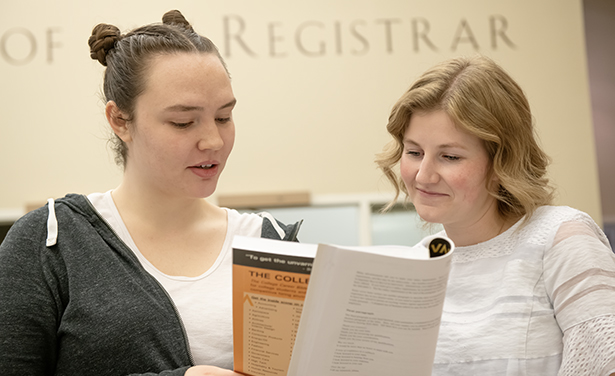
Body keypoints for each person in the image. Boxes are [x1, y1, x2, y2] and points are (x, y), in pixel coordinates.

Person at [0, 10, 300, 376]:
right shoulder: (50, 243)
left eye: (224, 117)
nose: (213, 141)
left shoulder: (270, 244)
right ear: (120, 120)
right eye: (183, 122)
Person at [376, 55, 615, 375]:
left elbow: (605, 362)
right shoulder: (420, 262)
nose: (423, 176)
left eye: (449, 156)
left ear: (502, 161)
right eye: (414, 152)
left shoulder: (561, 239)